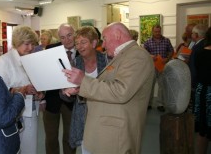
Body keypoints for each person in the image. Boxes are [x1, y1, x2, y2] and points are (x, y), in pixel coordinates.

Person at [62, 22, 155, 154]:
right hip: (104, 131)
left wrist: (84, 81)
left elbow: (121, 91)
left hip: (115, 135)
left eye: (104, 39)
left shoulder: (137, 55)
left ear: (117, 35)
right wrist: (79, 89)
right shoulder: (123, 55)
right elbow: (108, 85)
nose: (103, 45)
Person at [0, 25, 43, 154]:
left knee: (31, 149)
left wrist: (40, 92)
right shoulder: (4, 61)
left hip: (31, 111)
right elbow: (0, 91)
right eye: (27, 44)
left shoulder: (31, 58)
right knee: (15, 149)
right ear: (17, 43)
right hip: (14, 115)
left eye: (32, 44)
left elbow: (36, 81)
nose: (31, 48)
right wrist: (23, 89)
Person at [61, 26, 108, 153]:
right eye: (77, 43)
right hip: (83, 118)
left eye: (83, 42)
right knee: (86, 149)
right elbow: (64, 95)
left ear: (94, 43)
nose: (79, 47)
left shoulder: (107, 62)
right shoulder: (75, 64)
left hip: (105, 115)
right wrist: (67, 92)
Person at [42, 23, 77, 154]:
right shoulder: (51, 49)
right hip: (52, 100)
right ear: (58, 38)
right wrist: (42, 99)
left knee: (70, 137)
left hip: (73, 102)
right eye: (62, 37)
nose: (67, 40)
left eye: (69, 35)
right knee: (51, 138)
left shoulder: (83, 49)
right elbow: (43, 73)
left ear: (75, 33)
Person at [143, 24, 174, 112]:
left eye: (159, 31)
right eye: (156, 31)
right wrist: (150, 55)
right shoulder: (148, 41)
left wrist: (167, 59)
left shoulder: (166, 40)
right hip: (151, 66)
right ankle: (148, 103)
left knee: (162, 86)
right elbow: (144, 53)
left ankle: (160, 104)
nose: (157, 33)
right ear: (152, 31)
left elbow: (171, 51)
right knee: (150, 86)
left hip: (162, 66)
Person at [193, 26, 211, 154]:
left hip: (201, 92)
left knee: (202, 130)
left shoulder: (199, 52)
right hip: (209, 94)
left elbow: (198, 72)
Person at [188, 24, 207, 112]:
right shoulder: (206, 44)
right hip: (205, 81)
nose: (191, 35)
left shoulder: (196, 47)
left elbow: (193, 68)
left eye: (192, 33)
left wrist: (192, 83)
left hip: (197, 82)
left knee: (197, 107)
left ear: (196, 35)